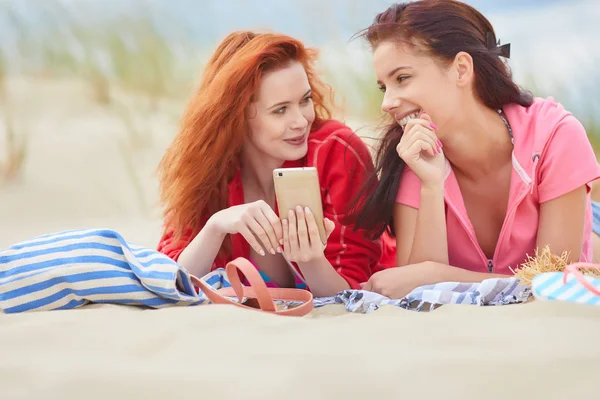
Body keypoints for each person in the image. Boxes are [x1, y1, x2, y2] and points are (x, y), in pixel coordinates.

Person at [351, 0, 600, 298]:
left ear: (461, 69)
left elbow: (555, 284)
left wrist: (439, 275)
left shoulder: (554, 135)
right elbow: (415, 291)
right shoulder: (413, 156)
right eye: (383, 87)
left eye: (402, 78)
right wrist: (431, 186)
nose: (387, 102)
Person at [156, 30, 395, 297]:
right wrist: (215, 226)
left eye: (305, 100)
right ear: (236, 117)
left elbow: (353, 289)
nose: (301, 121)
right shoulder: (209, 167)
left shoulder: (336, 151)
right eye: (280, 110)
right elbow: (172, 279)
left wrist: (310, 260)